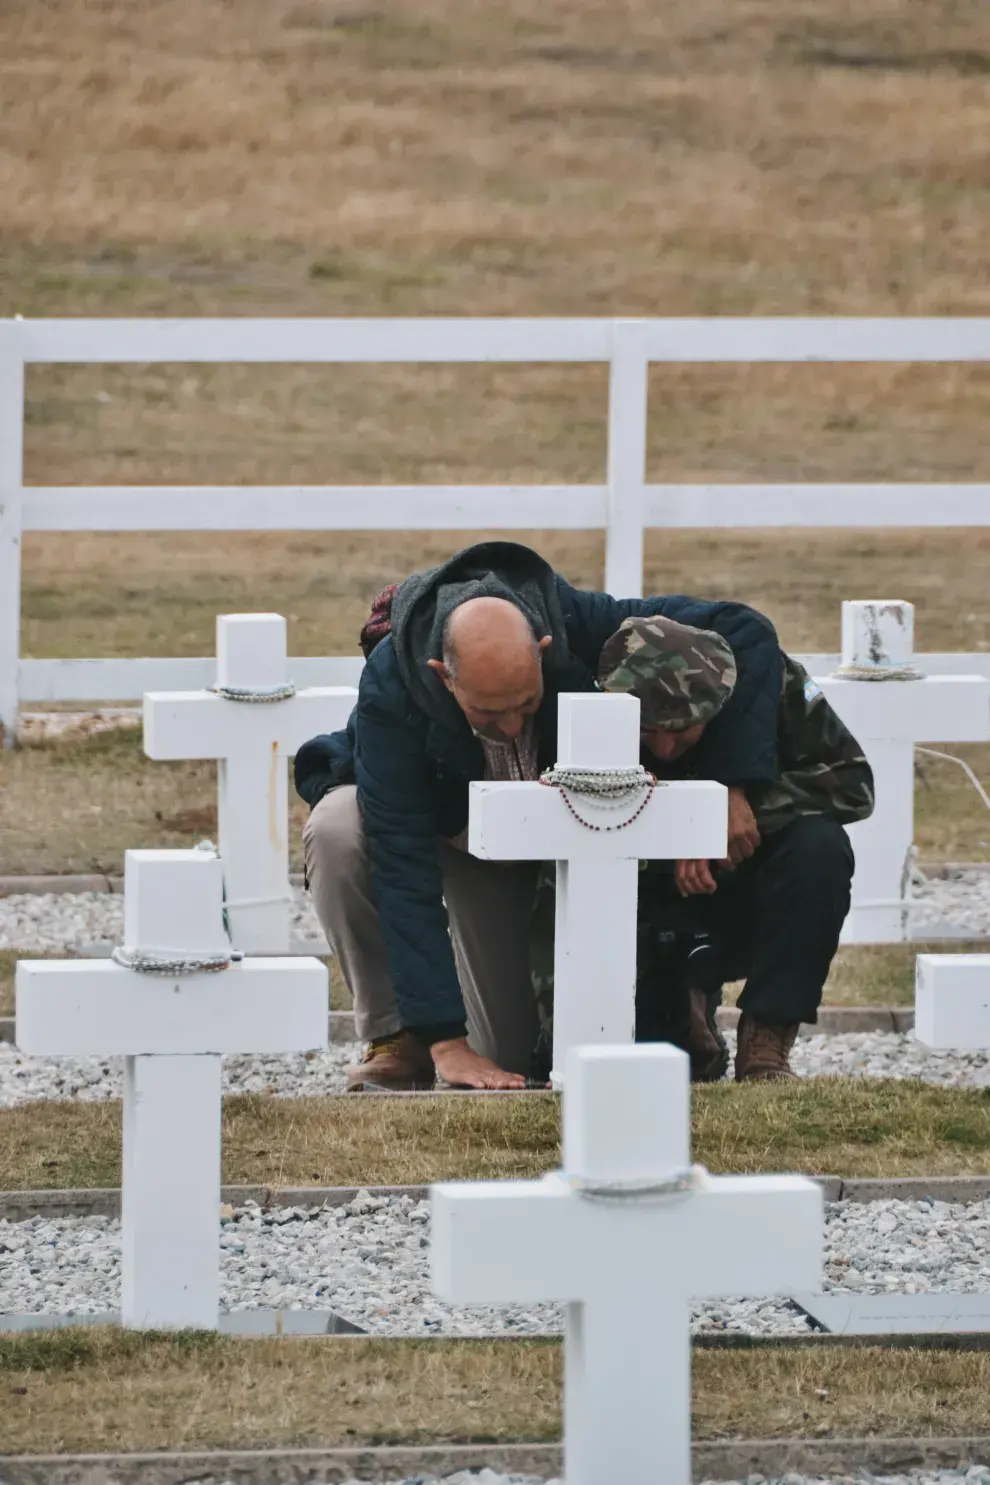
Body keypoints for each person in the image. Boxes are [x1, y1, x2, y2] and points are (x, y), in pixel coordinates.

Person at [294, 540, 784, 1092]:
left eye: (525, 704)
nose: (508, 727)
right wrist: (444, 1041)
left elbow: (745, 631)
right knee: (337, 827)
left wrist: (732, 785)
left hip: (525, 853)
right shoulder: (392, 687)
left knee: (508, 1058)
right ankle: (396, 1038)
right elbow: (399, 859)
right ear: (442, 675)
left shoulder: (581, 622)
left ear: (544, 650)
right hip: (437, 825)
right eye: (487, 711)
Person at [592, 613, 874, 1081]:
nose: (664, 748)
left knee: (820, 849)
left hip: (746, 882)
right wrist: (688, 828)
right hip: (641, 898)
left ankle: (767, 1036)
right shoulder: (592, 702)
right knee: (670, 1065)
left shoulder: (769, 688)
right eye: (647, 732)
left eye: (683, 732)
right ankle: (686, 1011)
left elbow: (853, 783)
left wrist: (735, 813)